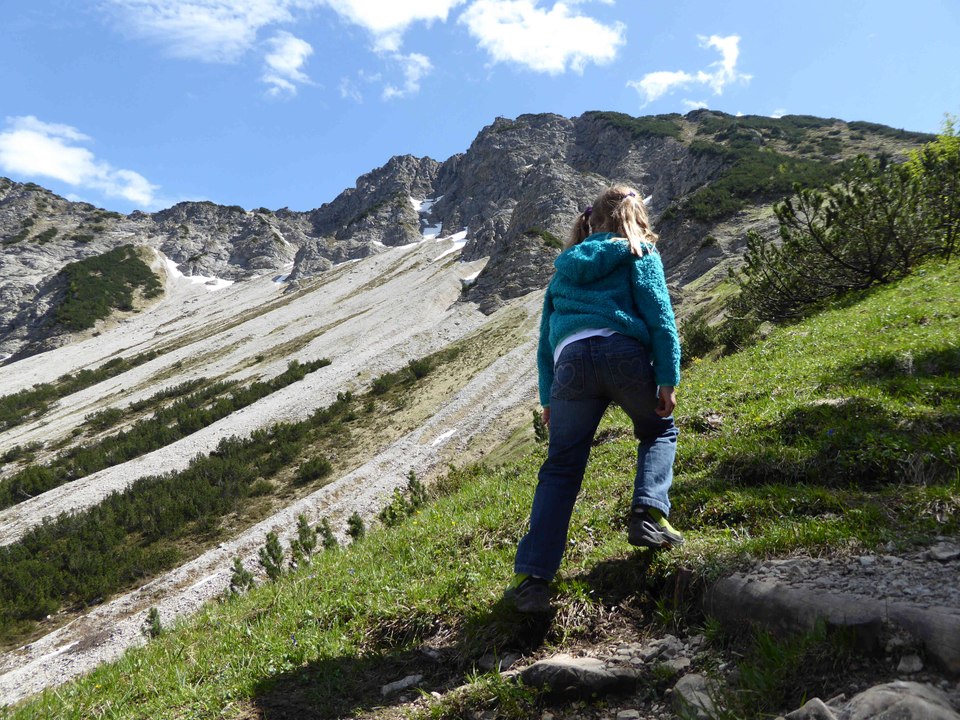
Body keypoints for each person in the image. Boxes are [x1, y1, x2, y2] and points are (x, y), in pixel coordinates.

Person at [504, 185, 683, 613]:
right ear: (634, 216)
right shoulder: (639, 252)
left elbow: (545, 342)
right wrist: (667, 378)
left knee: (561, 469)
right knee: (658, 430)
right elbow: (660, 317)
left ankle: (532, 579)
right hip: (623, 353)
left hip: (569, 366)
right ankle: (648, 515)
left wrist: (549, 398)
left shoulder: (563, 269)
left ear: (591, 222)